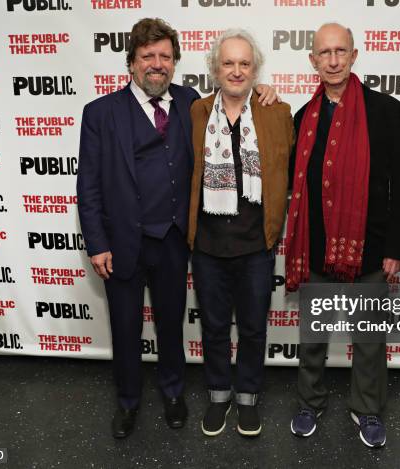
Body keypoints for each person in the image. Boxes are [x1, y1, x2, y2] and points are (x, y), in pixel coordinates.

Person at [77, 17, 278, 439]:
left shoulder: (193, 103)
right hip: (122, 242)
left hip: (172, 239)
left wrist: (264, 91)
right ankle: (128, 402)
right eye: (147, 56)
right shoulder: (99, 113)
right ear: (131, 63)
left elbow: (237, 98)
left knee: (171, 325)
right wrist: (96, 243)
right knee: (126, 327)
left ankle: (173, 394)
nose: (156, 64)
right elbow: (89, 183)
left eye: (165, 56)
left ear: (176, 62)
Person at [286, 23, 400, 448]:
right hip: (317, 248)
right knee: (312, 337)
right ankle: (309, 402)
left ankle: (368, 410)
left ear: (355, 55)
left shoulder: (388, 112)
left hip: (373, 248)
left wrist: (397, 248)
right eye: (325, 53)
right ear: (313, 61)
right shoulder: (302, 119)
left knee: (370, 339)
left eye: (341, 51)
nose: (334, 60)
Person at [188, 29, 293, 437]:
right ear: (215, 68)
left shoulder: (276, 112)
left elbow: (288, 173)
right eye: (228, 63)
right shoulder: (196, 111)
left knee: (252, 326)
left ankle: (247, 397)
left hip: (255, 245)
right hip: (209, 245)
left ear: (255, 69)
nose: (236, 70)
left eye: (244, 63)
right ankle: (218, 395)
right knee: (213, 326)